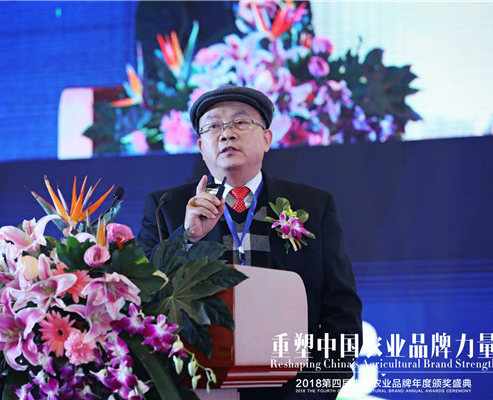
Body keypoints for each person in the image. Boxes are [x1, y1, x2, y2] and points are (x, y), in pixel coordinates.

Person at [138, 86, 362, 399]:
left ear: (267, 139)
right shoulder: (167, 208)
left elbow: (342, 310)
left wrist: (313, 393)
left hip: (290, 389)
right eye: (213, 126)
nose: (227, 134)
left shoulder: (314, 205)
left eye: (241, 122)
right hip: (197, 389)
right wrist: (187, 237)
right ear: (201, 146)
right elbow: (141, 298)